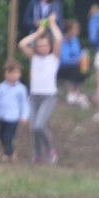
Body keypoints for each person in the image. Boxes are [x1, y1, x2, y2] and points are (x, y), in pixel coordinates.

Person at [18, 18, 62, 164]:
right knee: (33, 129)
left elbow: (59, 39)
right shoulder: (34, 58)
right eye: (40, 45)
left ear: (50, 46)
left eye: (46, 45)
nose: (43, 48)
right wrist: (38, 33)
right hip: (34, 96)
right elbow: (22, 44)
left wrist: (53, 25)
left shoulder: (53, 58)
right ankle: (37, 155)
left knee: (39, 125)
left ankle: (50, 150)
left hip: (48, 96)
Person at [0, 60, 30, 162]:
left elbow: (24, 103)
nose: (13, 75)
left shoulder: (21, 89)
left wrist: (24, 116)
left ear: (19, 74)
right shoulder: (1, 87)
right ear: (5, 74)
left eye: (16, 73)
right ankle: (10, 150)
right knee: (1, 136)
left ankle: (7, 154)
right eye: (10, 72)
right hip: (2, 116)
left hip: (14, 117)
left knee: (9, 135)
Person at [57, 20, 88, 107]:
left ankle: (75, 93)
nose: (77, 31)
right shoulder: (61, 41)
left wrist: (82, 57)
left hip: (75, 65)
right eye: (75, 29)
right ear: (69, 30)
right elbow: (63, 59)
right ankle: (72, 93)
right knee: (76, 68)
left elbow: (79, 53)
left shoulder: (75, 40)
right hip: (62, 67)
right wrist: (77, 60)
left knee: (84, 67)